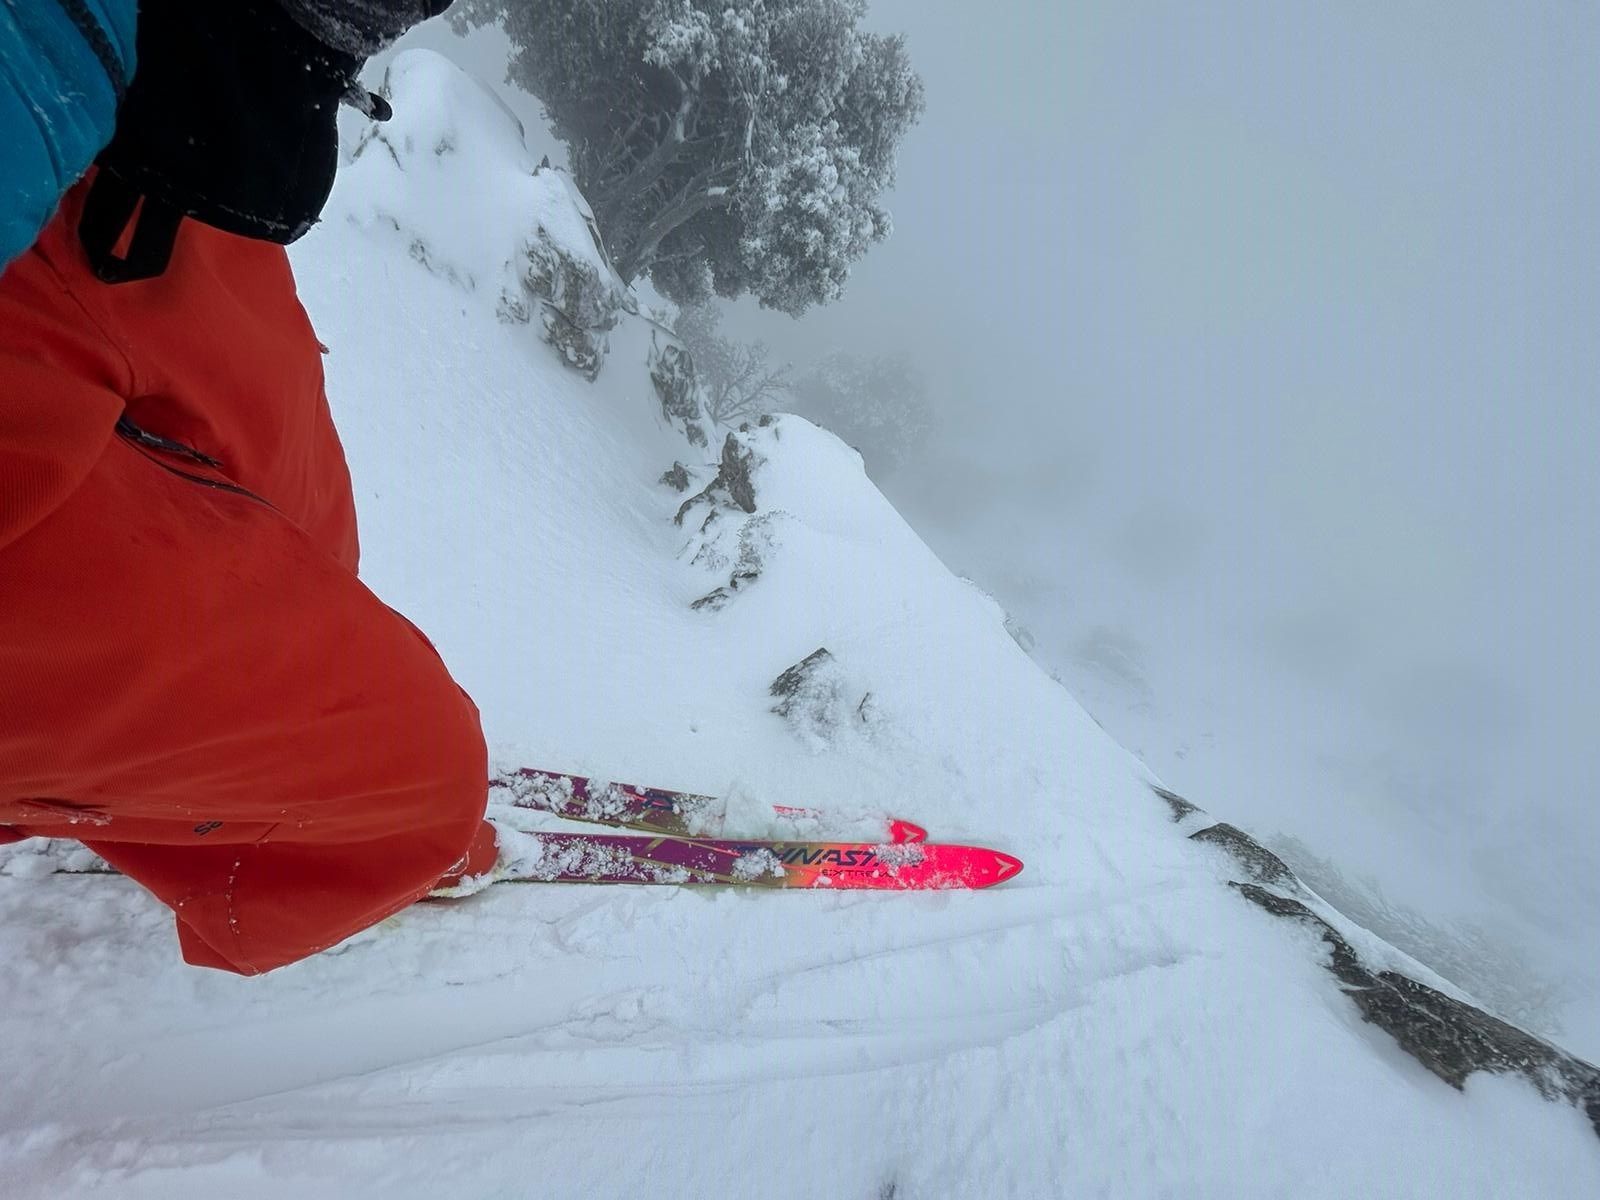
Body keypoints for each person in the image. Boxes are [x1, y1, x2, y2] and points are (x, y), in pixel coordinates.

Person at [0, 0, 499, 975]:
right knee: (430, 781)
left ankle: (220, 785)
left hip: (107, 138)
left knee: (306, 525)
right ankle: (304, 820)